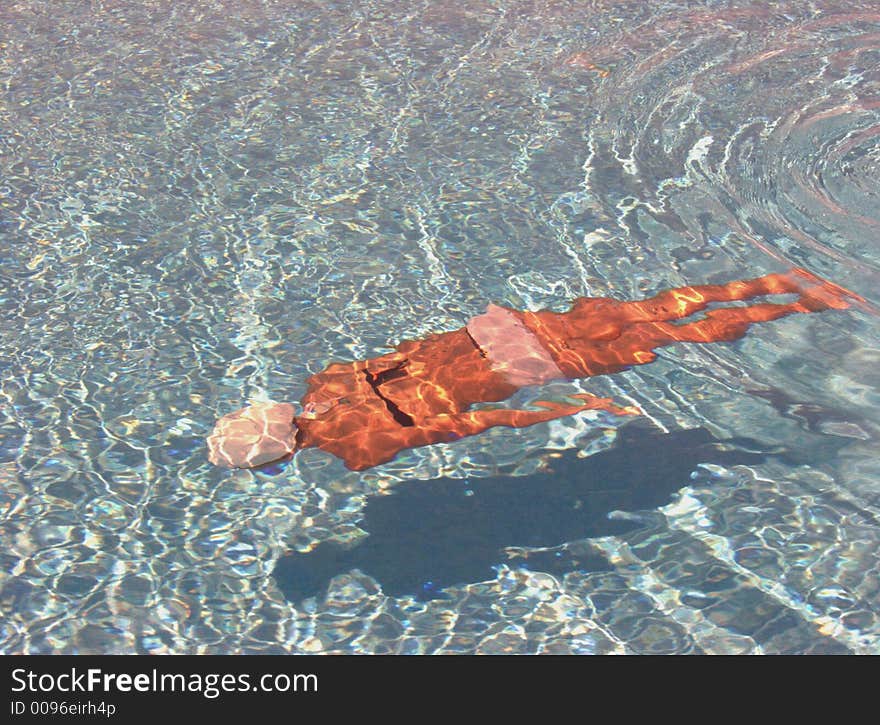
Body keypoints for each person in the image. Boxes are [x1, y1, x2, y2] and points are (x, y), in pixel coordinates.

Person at [207, 268, 862, 471]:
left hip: (523, 364)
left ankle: (809, 298)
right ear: (272, 414)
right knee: (643, 312)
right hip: (493, 334)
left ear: (280, 461)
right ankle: (785, 278)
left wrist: (578, 409)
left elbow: (487, 420)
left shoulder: (363, 447)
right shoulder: (328, 380)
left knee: (649, 338)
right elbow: (413, 351)